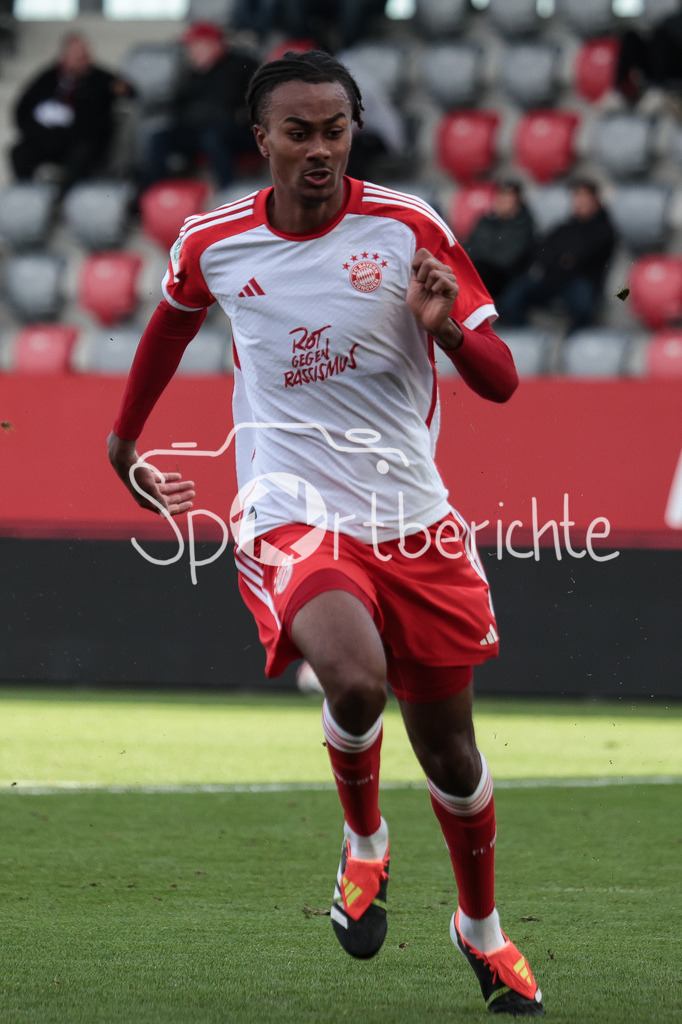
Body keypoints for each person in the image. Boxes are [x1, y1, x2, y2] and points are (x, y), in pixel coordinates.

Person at [107, 51, 543, 1018]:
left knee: (455, 758)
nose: (319, 148)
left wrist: (449, 330)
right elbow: (168, 331)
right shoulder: (214, 242)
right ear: (259, 137)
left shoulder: (408, 227)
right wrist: (122, 443)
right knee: (353, 677)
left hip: (411, 518)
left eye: (334, 129)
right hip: (290, 508)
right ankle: (365, 842)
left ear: (353, 130)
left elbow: (504, 380)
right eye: (298, 131)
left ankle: (481, 930)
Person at [140, 22, 259, 189]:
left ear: (212, 44)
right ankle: (156, 195)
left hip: (236, 131)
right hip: (200, 131)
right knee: (159, 138)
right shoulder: (193, 73)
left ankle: (228, 193)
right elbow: (178, 105)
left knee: (213, 139)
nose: (190, 51)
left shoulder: (241, 65)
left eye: (193, 45)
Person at [9, 33, 133, 191]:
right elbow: (22, 110)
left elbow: (128, 91)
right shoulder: (48, 78)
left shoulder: (100, 77)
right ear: (64, 57)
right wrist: (36, 132)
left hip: (81, 142)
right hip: (46, 138)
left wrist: (123, 89)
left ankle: (63, 197)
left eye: (85, 56)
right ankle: (26, 194)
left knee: (83, 153)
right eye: (78, 57)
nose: (83, 61)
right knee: (19, 152)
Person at [498, 178, 615, 335]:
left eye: (584, 197)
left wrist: (565, 258)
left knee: (584, 303)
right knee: (515, 293)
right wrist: (562, 259)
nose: (579, 201)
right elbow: (541, 250)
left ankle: (574, 341)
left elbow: (586, 255)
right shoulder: (564, 227)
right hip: (551, 280)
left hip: (581, 282)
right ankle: (523, 338)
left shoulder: (604, 229)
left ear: (595, 200)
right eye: (576, 197)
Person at [464, 180, 535, 301]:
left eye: (508, 201)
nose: (502, 204)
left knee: (478, 274)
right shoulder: (485, 220)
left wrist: (480, 256)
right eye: (500, 199)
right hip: (479, 269)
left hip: (505, 277)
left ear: (517, 204)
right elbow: (468, 247)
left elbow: (507, 260)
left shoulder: (523, 227)